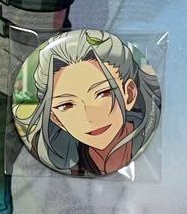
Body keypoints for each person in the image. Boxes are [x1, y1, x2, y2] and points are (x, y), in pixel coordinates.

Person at [13, 29, 162, 176]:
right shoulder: (63, 158)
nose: (90, 117)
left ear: (129, 94)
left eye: (103, 93)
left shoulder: (144, 137)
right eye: (66, 105)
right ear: (56, 119)